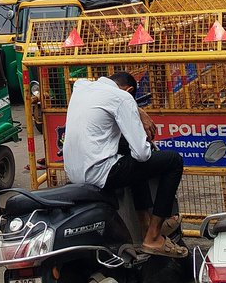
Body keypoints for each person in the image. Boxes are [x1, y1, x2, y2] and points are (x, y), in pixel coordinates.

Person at [62, 70, 186, 258]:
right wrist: (136, 113)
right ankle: (153, 237)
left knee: (130, 157)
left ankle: (144, 226)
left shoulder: (81, 86)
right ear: (128, 91)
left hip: (74, 172)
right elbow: (142, 154)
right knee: (173, 161)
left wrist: (137, 110)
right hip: (101, 173)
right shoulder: (123, 98)